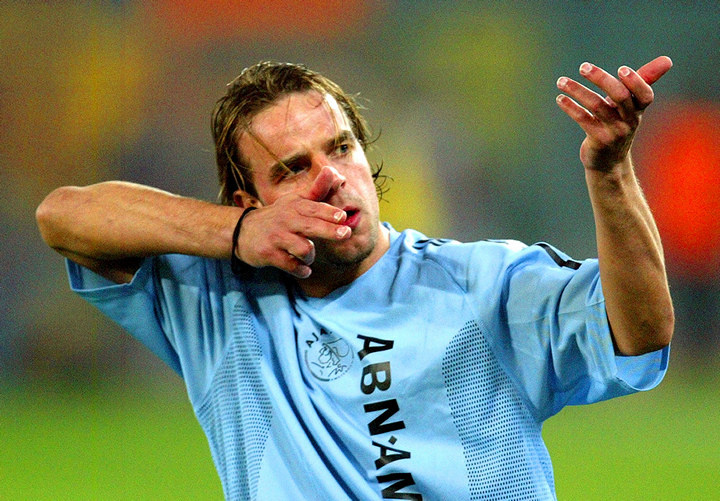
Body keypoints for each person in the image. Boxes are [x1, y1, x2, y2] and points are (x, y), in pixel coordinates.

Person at [36, 57, 674, 500]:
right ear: (249, 201)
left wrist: (610, 171)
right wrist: (236, 234)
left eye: (341, 148)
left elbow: (642, 331)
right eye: (293, 168)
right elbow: (61, 216)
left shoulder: (482, 285)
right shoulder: (218, 303)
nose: (331, 178)